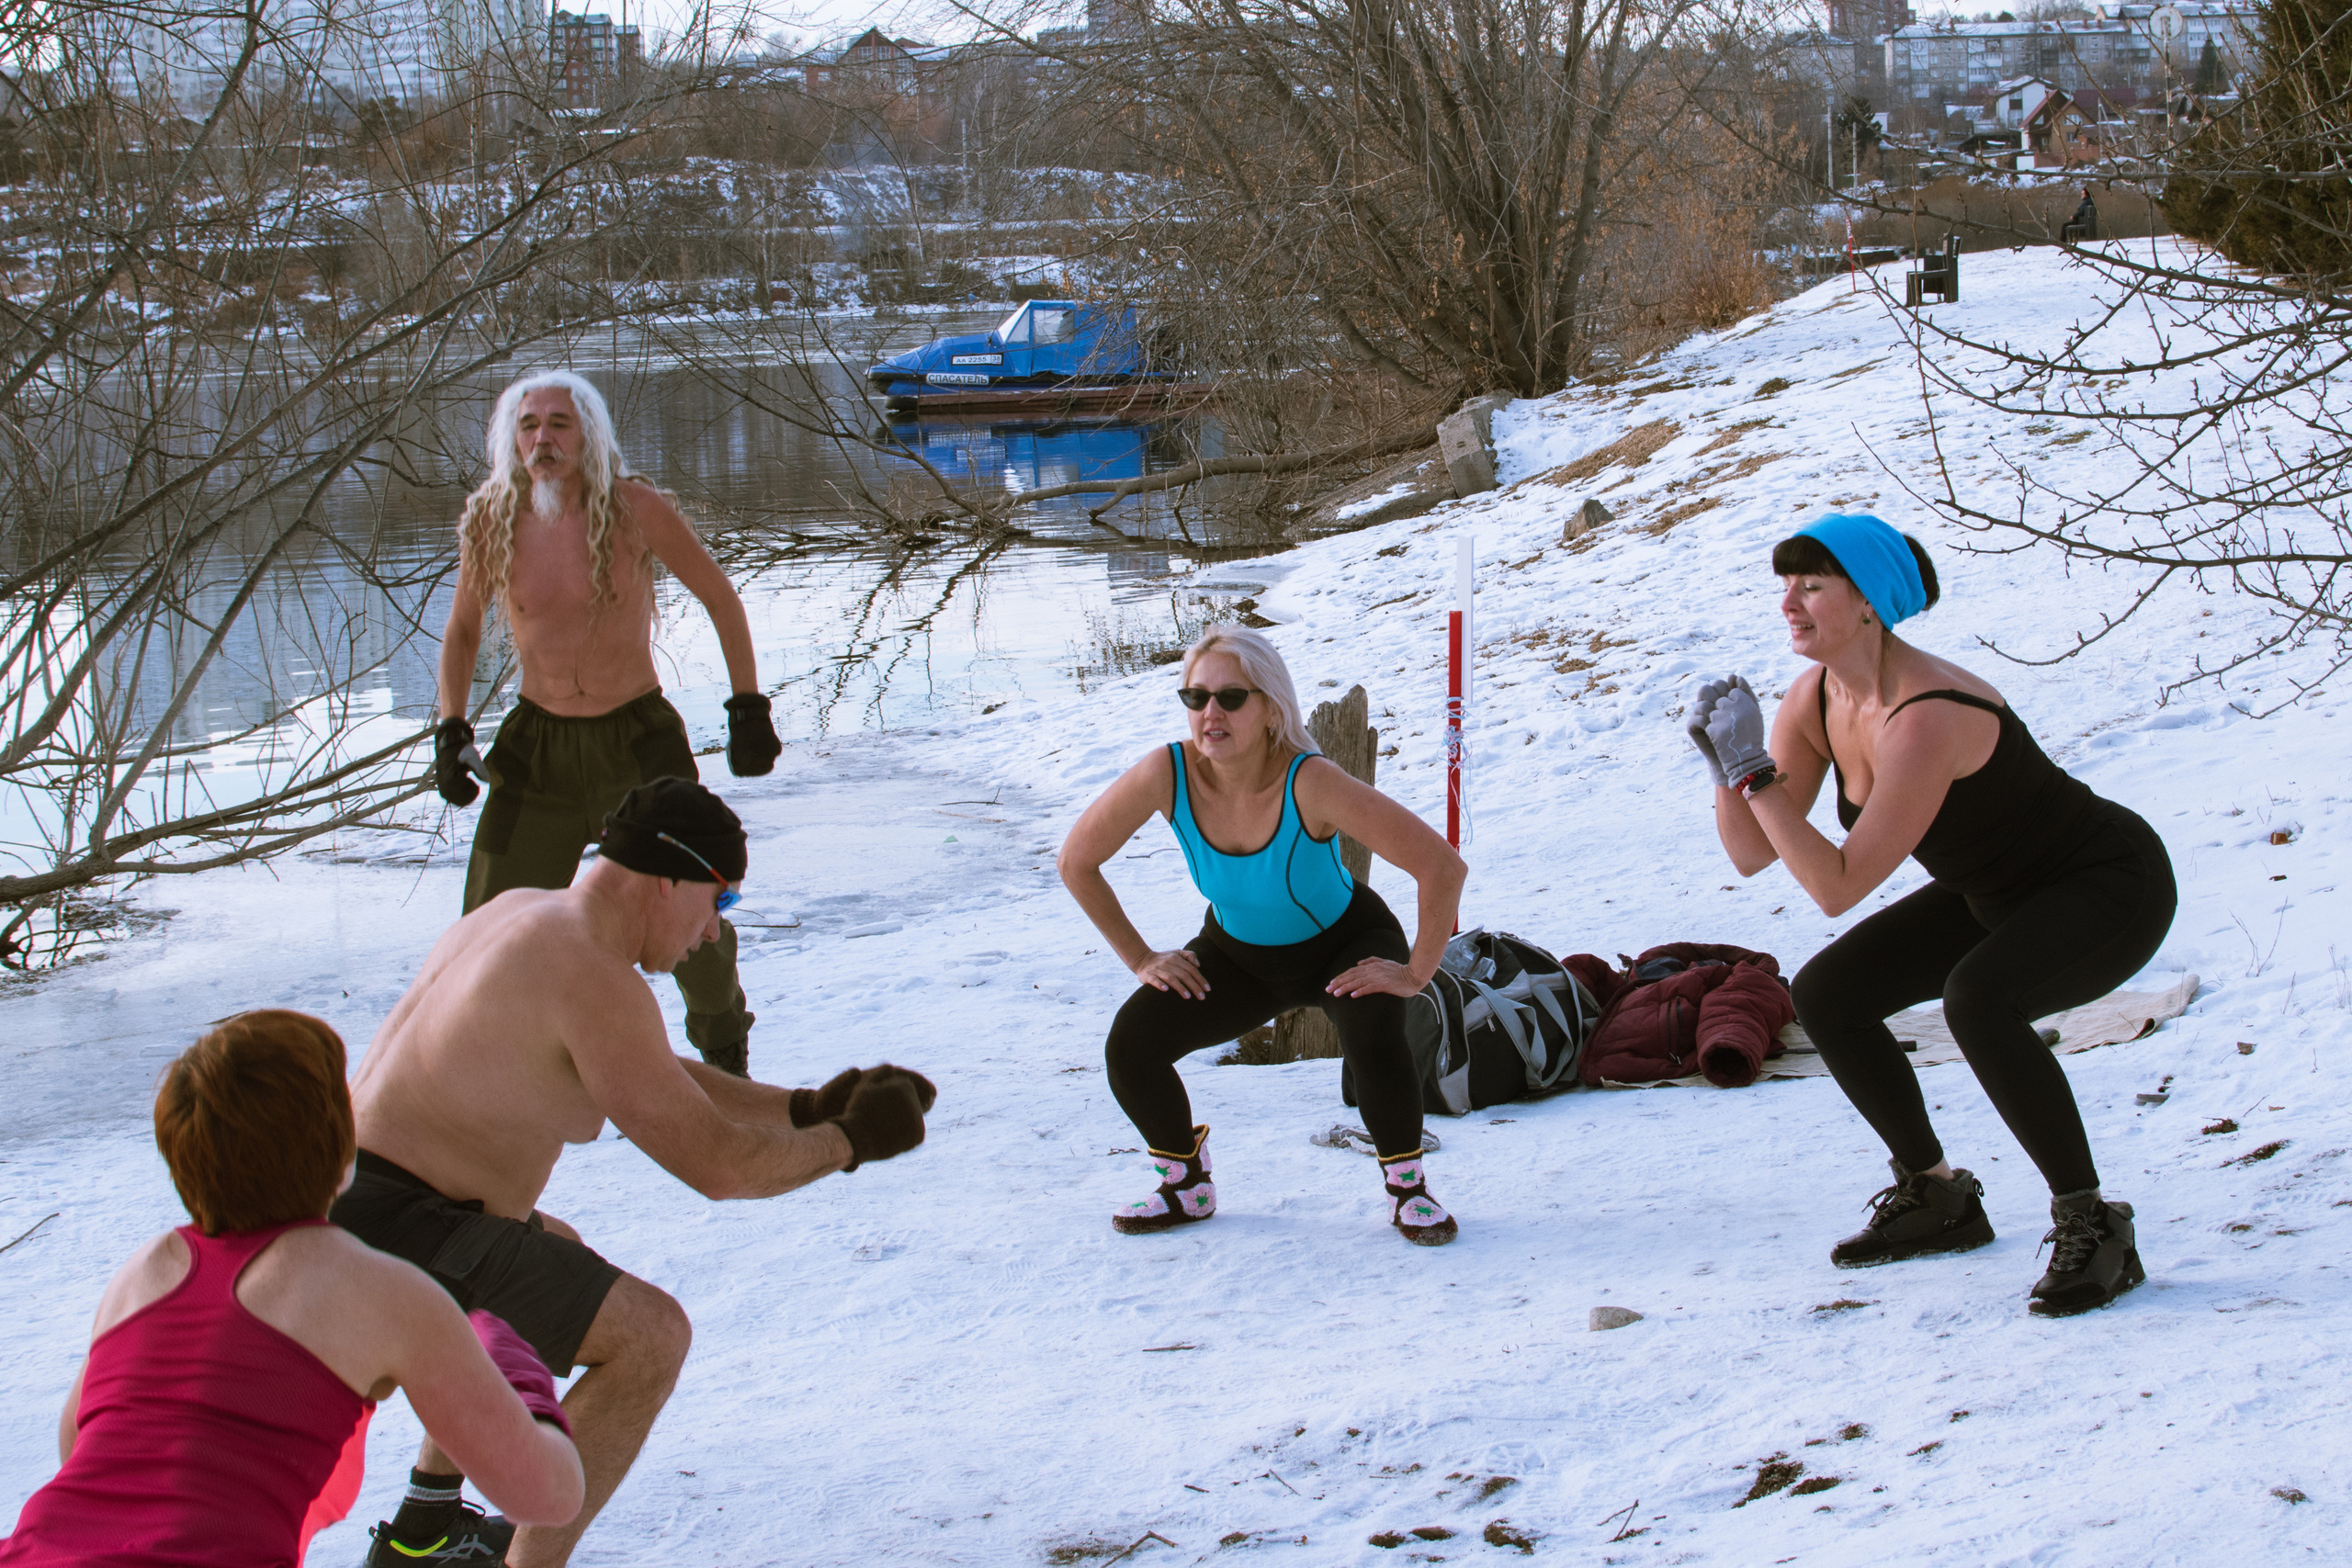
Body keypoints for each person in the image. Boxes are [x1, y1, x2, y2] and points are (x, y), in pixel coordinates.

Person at [334, 776, 935, 1566]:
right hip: (404, 1228)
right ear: (668, 876)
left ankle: (426, 1529)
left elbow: (643, 1066)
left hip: (365, 1199)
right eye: (721, 902)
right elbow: (720, 1167)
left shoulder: (525, 914)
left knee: (555, 1254)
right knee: (650, 1338)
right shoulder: (588, 972)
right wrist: (852, 1140)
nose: (715, 935)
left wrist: (803, 1106)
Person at [1691, 513, 2176, 1317]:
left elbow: (1838, 884)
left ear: (1870, 603)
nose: (1790, 602)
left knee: (1980, 999)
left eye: (1813, 585)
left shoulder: (1927, 714)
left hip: (2105, 882)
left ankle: (2095, 1225)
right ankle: (1936, 1195)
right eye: (1785, 585)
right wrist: (1728, 769)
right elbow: (1752, 853)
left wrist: (1755, 774)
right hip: (1990, 888)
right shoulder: (1814, 697)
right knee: (1830, 992)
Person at [0, 1010, 582, 1568]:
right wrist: (518, 1369)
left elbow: (78, 1449)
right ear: (341, 1153)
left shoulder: (146, 1271)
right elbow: (547, 1497)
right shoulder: (376, 1288)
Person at [1059, 626, 1468, 1245]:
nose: (1210, 713)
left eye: (1231, 697)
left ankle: (1409, 1188)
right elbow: (1076, 862)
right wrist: (1141, 956)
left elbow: (1441, 866)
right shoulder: (1165, 774)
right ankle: (1185, 1184)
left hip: (1345, 944)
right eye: (1195, 698)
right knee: (1132, 1045)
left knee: (1372, 1031)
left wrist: (1415, 972)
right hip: (1236, 955)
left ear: (1271, 706)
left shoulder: (1312, 781)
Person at [432, 370, 785, 1077]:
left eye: (559, 424)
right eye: (529, 425)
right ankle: (488, 1067)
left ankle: (725, 1054)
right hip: (539, 747)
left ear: (588, 434)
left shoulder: (634, 509)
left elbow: (720, 598)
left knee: (694, 910)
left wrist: (748, 707)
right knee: (489, 921)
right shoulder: (491, 520)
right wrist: (451, 728)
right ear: (512, 439)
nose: (543, 438)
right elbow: (464, 632)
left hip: (637, 740)